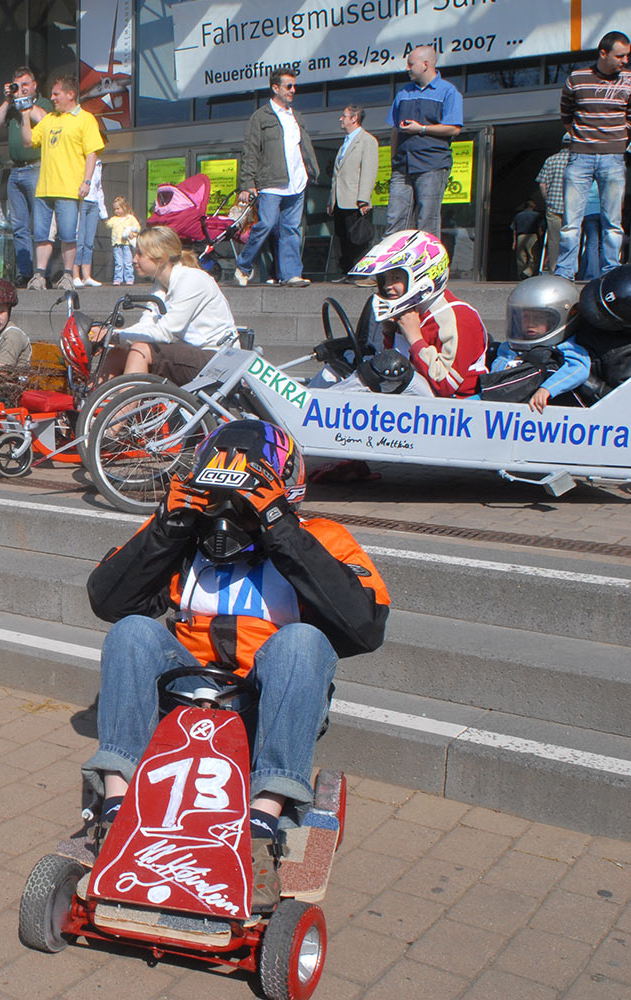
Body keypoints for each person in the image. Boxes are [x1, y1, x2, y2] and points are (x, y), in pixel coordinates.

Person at [83, 419, 388, 909]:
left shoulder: (323, 537)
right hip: (182, 704)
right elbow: (107, 599)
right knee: (132, 631)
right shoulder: (182, 534)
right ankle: (118, 803)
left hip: (264, 710)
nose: (226, 517)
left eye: (239, 503)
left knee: (304, 640)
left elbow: (366, 627)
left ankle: (263, 820)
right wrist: (169, 526)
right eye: (217, 498)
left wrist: (278, 529)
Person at [346, 229, 487, 398]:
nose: (387, 286)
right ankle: (313, 404)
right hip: (416, 405)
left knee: (381, 373)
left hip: (455, 409)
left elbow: (445, 384)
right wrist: (390, 334)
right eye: (385, 279)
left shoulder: (459, 315)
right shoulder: (409, 312)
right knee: (336, 369)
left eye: (395, 278)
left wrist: (415, 339)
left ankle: (315, 407)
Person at [108, 227, 238, 382]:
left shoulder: (191, 280)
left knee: (140, 350)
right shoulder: (161, 284)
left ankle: (124, 406)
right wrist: (110, 335)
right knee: (119, 351)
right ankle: (90, 402)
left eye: (140, 254)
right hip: (190, 353)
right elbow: (146, 325)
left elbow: (165, 332)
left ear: (160, 257)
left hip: (218, 358)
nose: (134, 260)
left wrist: (113, 336)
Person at [556, 31, 631, 281]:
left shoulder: (629, 79)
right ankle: (565, 271)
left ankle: (611, 271)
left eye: (627, 56)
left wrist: (621, 138)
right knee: (570, 222)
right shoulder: (577, 78)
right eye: (620, 56)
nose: (625, 61)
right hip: (581, 156)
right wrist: (581, 138)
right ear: (603, 53)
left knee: (613, 222)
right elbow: (566, 112)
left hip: (613, 157)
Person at [234, 69, 318, 288]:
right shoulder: (261, 117)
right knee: (266, 224)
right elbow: (250, 151)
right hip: (271, 182)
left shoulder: (296, 116)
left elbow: (304, 147)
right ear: (275, 88)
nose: (293, 90)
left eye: (294, 86)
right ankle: (243, 265)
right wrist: (248, 183)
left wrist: (312, 171)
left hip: (297, 182)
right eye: (288, 86)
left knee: (291, 228)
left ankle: (291, 274)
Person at [20, 76, 104, 291]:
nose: (52, 97)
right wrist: (24, 116)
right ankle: (39, 275)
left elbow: (92, 153)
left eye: (56, 93)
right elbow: (29, 141)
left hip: (69, 189)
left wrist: (87, 181)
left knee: (68, 234)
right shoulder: (49, 119)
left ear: (70, 95)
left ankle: (67, 275)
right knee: (41, 235)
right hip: (45, 189)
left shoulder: (85, 119)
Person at [384, 45, 463, 239]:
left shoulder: (448, 92)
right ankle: (393, 268)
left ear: (425, 64)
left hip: (432, 166)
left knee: (426, 221)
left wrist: (422, 129)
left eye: (411, 64)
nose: (407, 68)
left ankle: (425, 267)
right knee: (394, 220)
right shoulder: (403, 93)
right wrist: (394, 160)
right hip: (402, 167)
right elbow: (395, 130)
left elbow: (454, 128)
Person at [484, 274, 592, 411]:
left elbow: (578, 368)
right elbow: (499, 366)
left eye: (539, 318)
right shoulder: (510, 347)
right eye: (525, 317)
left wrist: (547, 389)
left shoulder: (566, 347)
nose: (530, 324)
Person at [0, 66, 53, 286]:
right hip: (15, 170)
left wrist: (26, 103)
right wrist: (8, 100)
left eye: (26, 85)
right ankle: (24, 272)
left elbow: (44, 119)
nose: (22, 89)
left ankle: (43, 272)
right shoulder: (13, 105)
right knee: (19, 226)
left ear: (35, 85)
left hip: (36, 168)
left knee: (42, 225)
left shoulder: (43, 103)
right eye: (18, 85)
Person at [329, 104, 379, 275]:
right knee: (342, 238)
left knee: (357, 238)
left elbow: (368, 171)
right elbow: (337, 175)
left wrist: (364, 198)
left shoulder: (367, 141)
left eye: (344, 116)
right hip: (340, 200)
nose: (341, 119)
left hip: (354, 199)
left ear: (354, 118)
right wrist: (331, 200)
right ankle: (347, 272)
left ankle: (360, 272)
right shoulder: (345, 142)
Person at [534, 141, 570, 277]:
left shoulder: (551, 159)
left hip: (553, 205)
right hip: (571, 206)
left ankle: (554, 269)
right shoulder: (575, 160)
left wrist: (547, 199)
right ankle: (569, 268)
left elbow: (542, 183)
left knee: (554, 240)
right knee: (571, 237)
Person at [74, 151, 107, 288]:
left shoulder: (98, 163)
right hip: (81, 200)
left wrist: (103, 211)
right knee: (78, 240)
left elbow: (99, 188)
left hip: (93, 203)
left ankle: (86, 276)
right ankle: (75, 275)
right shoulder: (80, 159)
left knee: (89, 241)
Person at [107, 197, 141, 285]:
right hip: (117, 243)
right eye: (115, 209)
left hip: (127, 244)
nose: (116, 211)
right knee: (118, 262)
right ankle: (118, 278)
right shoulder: (114, 219)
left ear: (124, 207)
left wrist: (132, 234)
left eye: (118, 208)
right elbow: (108, 224)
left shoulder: (130, 218)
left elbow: (137, 228)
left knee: (128, 262)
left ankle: (129, 278)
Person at [511, 201, 545, 279]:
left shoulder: (518, 215)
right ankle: (527, 273)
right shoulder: (537, 215)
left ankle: (521, 275)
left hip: (520, 236)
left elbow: (514, 229)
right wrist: (540, 239)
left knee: (521, 258)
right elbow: (540, 228)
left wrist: (514, 241)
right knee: (533, 257)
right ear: (533, 206)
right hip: (532, 236)